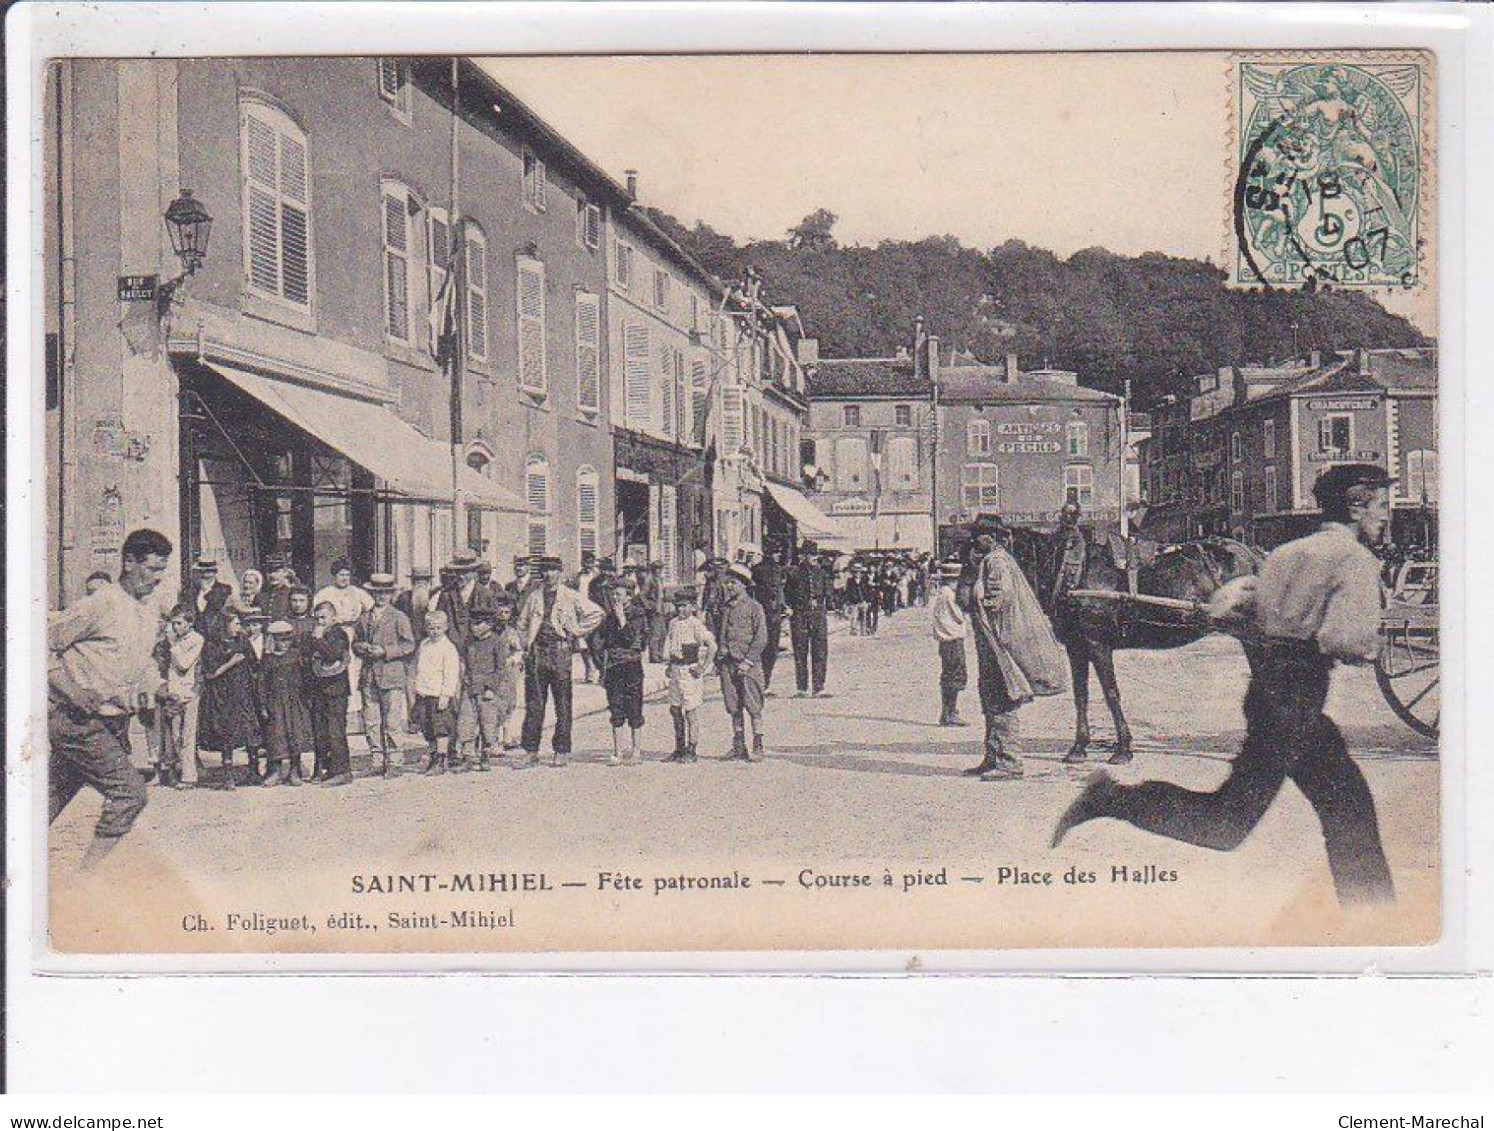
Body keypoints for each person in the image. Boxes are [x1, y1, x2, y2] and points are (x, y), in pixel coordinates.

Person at [1053, 464, 1398, 906]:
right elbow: (1345, 640)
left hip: (1269, 695)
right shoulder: (1353, 560)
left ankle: (1370, 912)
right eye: (1381, 506)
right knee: (1238, 823)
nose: (1385, 516)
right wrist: (1366, 644)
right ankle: (1110, 798)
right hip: (1297, 702)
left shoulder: (1287, 554)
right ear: (1356, 505)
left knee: (1315, 814)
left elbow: (1227, 608)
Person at [48, 529, 172, 868]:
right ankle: (88, 881)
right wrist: (72, 691)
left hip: (113, 724)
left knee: (46, 802)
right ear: (129, 562)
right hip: (78, 722)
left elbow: (142, 660)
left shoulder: (148, 612)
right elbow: (41, 643)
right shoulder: (99, 604)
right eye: (152, 569)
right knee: (130, 793)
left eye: (163, 570)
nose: (158, 579)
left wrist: (159, 686)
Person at [965, 519, 1069, 780]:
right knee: (990, 697)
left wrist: (978, 600)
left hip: (1000, 641)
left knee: (1000, 698)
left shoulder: (997, 562)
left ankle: (1009, 762)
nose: (976, 539)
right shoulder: (995, 559)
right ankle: (992, 758)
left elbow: (1000, 597)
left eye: (980, 535)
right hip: (993, 640)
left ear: (992, 536)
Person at [516, 555, 604, 768]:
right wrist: (526, 645)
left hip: (561, 652)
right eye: (545, 571)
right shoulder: (534, 597)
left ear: (560, 572)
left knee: (562, 703)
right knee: (534, 704)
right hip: (537, 653)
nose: (549, 575)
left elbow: (596, 613)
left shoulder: (570, 596)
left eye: (553, 570)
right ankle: (531, 751)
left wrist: (575, 630)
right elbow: (521, 623)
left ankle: (561, 750)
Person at [355, 573, 416, 778]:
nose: (381, 596)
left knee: (392, 720)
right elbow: (355, 643)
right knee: (371, 720)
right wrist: (361, 647)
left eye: (385, 593)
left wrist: (386, 651)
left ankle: (395, 760)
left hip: (391, 675)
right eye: (377, 593)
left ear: (391, 594)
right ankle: (377, 758)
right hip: (369, 675)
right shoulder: (364, 617)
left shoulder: (399, 617)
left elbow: (409, 645)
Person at [594, 576, 649, 766]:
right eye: (613, 594)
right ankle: (618, 750)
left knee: (634, 707)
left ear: (629, 596)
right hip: (614, 666)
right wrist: (601, 665)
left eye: (619, 594)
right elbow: (601, 641)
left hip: (631, 665)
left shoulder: (638, 614)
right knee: (616, 706)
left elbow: (630, 639)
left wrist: (621, 618)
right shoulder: (609, 617)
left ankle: (636, 751)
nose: (615, 598)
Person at [717, 562, 769, 762]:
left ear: (744, 585)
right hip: (728, 663)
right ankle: (739, 745)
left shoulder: (755, 607)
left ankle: (758, 744)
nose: (729, 587)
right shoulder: (727, 608)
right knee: (733, 705)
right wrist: (720, 656)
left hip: (748, 664)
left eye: (733, 583)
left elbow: (761, 638)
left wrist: (748, 660)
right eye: (728, 583)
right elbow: (723, 634)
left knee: (753, 705)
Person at [663, 585, 716, 764]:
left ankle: (692, 749)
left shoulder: (696, 624)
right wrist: (670, 665)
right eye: (678, 605)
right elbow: (672, 645)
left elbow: (712, 646)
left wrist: (703, 667)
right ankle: (679, 748)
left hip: (690, 671)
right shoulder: (672, 623)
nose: (681, 609)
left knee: (690, 712)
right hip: (676, 670)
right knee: (675, 709)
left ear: (693, 606)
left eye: (685, 605)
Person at [154, 603, 204, 789]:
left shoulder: (197, 640)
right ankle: (177, 770)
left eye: (179, 623)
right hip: (174, 693)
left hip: (190, 692)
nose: (176, 627)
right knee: (175, 734)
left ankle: (189, 776)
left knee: (188, 735)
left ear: (190, 623)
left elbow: (184, 664)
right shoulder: (172, 639)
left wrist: (173, 644)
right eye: (173, 623)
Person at [258, 620, 313, 787]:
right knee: (275, 735)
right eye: (280, 640)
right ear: (273, 640)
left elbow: (306, 678)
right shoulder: (268, 659)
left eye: (287, 640)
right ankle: (275, 771)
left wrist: (306, 698)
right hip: (275, 703)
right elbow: (261, 683)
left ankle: (294, 770)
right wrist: (263, 705)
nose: (284, 644)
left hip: (294, 701)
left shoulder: (296, 657)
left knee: (294, 734)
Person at [313, 559, 373, 711]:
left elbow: (371, 607)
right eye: (341, 575)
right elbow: (316, 613)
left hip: (353, 633)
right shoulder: (325, 593)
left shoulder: (357, 592)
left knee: (354, 667)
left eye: (347, 575)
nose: (344, 578)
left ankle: (354, 707)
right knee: (336, 665)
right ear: (334, 576)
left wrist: (362, 622)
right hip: (333, 634)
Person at [306, 600, 354, 786]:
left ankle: (343, 771)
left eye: (324, 617)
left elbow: (333, 655)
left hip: (336, 691)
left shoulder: (339, 633)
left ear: (333, 617)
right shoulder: (316, 634)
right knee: (321, 731)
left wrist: (318, 640)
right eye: (317, 618)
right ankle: (327, 769)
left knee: (336, 731)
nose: (320, 621)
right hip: (319, 689)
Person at [410, 608, 461, 775]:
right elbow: (419, 667)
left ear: (445, 627)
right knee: (427, 726)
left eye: (438, 628)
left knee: (441, 728)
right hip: (424, 692)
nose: (435, 631)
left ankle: (441, 758)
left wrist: (446, 694)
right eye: (431, 628)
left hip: (438, 694)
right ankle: (432, 754)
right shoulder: (424, 645)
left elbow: (451, 673)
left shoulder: (448, 648)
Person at [785, 543, 831, 699]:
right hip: (799, 615)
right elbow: (788, 595)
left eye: (815, 554)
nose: (814, 558)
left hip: (818, 615)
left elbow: (828, 594)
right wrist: (790, 609)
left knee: (820, 650)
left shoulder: (822, 574)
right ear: (804, 556)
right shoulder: (794, 574)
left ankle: (819, 687)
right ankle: (801, 687)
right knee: (800, 651)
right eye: (811, 554)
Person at [931, 560, 971, 727]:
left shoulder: (943, 593)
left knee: (950, 675)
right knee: (955, 675)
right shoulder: (949, 595)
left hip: (947, 641)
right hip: (952, 640)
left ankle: (948, 712)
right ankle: (950, 713)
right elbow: (960, 615)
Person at [752, 548, 787, 692]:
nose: (779, 554)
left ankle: (763, 684)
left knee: (767, 649)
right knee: (768, 649)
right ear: (769, 553)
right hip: (767, 613)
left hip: (770, 613)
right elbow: (774, 592)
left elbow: (778, 591)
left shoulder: (762, 569)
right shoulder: (765, 570)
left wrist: (783, 606)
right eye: (776, 552)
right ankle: (762, 684)